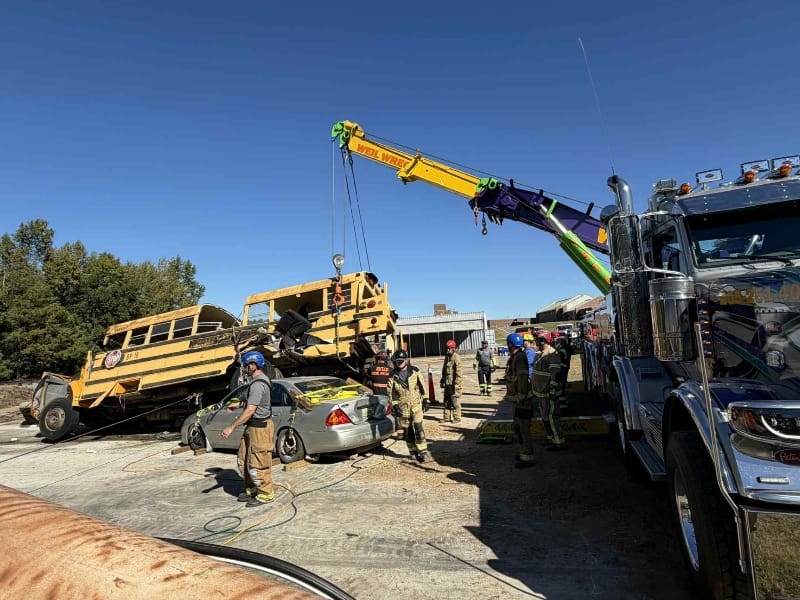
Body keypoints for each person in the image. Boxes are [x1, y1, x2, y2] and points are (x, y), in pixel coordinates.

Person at [221, 351, 275, 506]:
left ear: (253, 365)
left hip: (260, 428)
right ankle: (252, 489)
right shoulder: (257, 382)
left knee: (258, 462)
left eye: (246, 366)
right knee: (244, 460)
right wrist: (238, 404)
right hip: (252, 427)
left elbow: (252, 410)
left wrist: (231, 427)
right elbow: (255, 404)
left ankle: (265, 494)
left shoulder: (258, 384)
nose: (244, 369)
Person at [388, 349, 432, 463]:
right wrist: (395, 406)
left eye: (402, 361)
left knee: (418, 428)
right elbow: (390, 394)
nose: (400, 363)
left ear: (406, 360)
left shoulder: (415, 371)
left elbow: (423, 387)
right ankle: (413, 452)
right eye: (398, 361)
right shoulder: (392, 376)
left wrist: (426, 400)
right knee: (408, 432)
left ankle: (423, 451)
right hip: (403, 409)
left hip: (416, 406)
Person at [532, 332, 567, 450]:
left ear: (543, 341)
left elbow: (555, 374)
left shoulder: (552, 354)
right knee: (545, 417)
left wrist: (552, 389)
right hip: (541, 393)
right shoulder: (539, 354)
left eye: (537, 339)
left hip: (549, 393)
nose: (535, 341)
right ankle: (550, 438)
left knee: (552, 417)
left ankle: (559, 442)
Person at [505, 333, 535, 468]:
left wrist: (521, 397)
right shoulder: (516, 357)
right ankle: (524, 453)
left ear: (510, 344)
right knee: (518, 427)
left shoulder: (519, 358)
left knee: (523, 429)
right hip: (518, 399)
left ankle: (527, 457)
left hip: (522, 401)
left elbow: (522, 379)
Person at [440, 339, 463, 423]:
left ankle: (457, 418)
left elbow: (459, 374)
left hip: (454, 385)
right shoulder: (447, 357)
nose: (447, 350)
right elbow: (444, 370)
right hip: (447, 384)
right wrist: (442, 380)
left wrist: (457, 386)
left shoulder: (456, 358)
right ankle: (446, 417)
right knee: (446, 400)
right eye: (446, 348)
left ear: (453, 348)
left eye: (449, 348)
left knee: (454, 400)